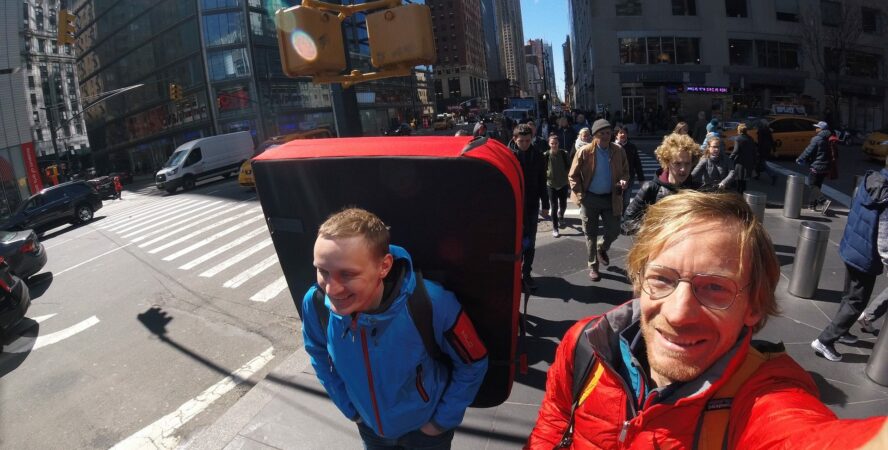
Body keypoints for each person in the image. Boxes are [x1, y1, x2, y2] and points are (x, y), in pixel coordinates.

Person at [526, 191, 888, 449]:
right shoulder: (585, 344)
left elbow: (801, 434)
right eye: (662, 279)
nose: (679, 313)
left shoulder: (762, 395)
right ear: (639, 282)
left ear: (754, 307)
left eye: (715, 288)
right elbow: (555, 420)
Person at [302, 208, 488, 449]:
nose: (331, 289)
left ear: (384, 266)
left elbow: (473, 363)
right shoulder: (315, 304)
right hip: (371, 430)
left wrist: (440, 422)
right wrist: (350, 408)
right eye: (323, 271)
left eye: (347, 274)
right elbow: (317, 352)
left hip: (425, 433)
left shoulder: (431, 303)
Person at [812, 163, 888, 361]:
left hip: (852, 246)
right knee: (857, 301)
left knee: (849, 296)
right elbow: (884, 238)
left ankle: (842, 331)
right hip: (866, 255)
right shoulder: (887, 194)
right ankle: (825, 341)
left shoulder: (871, 180)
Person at [568, 119, 629, 282]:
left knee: (615, 229)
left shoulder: (618, 151)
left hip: (611, 198)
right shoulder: (585, 151)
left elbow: (625, 171)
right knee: (590, 234)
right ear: (595, 135)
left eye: (608, 133)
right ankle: (593, 266)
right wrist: (581, 195)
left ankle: (602, 248)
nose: (605, 136)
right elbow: (572, 175)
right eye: (602, 133)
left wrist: (624, 180)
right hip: (590, 198)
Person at [622, 133, 701, 236]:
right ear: (667, 162)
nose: (683, 169)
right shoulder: (651, 188)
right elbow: (627, 222)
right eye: (677, 163)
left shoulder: (697, 190)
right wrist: (653, 229)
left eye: (687, 163)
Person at [510, 124, 547, 291]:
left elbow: (542, 182)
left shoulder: (538, 156)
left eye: (527, 140)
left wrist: (545, 204)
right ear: (514, 139)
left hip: (531, 205)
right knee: (514, 243)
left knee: (530, 243)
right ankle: (514, 275)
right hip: (513, 206)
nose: (525, 143)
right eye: (521, 141)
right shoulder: (508, 155)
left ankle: (526, 273)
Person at [796, 121, 833, 211]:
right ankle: (812, 205)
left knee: (812, 184)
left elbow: (808, 151)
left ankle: (823, 201)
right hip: (826, 166)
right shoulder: (828, 138)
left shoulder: (817, 139)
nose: (816, 129)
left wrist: (800, 158)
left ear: (821, 129)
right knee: (817, 185)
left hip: (817, 166)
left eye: (817, 127)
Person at [545, 134, 570, 237]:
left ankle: (561, 215)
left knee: (563, 204)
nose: (554, 145)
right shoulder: (546, 155)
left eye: (555, 143)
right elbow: (543, 170)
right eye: (552, 143)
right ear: (549, 144)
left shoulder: (564, 154)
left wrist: (569, 180)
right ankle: (555, 228)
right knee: (554, 206)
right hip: (551, 185)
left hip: (563, 184)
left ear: (558, 143)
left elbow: (569, 167)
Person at [614, 126, 645, 211]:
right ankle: (616, 217)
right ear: (616, 135)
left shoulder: (631, 147)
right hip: (614, 178)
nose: (623, 134)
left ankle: (624, 218)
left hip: (629, 177)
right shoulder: (611, 147)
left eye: (625, 132)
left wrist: (641, 179)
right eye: (620, 132)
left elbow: (637, 163)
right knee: (616, 199)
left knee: (626, 200)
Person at [730, 123, 757, 194]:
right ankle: (743, 195)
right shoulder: (751, 138)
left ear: (739, 130)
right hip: (749, 162)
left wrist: (730, 158)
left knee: (739, 181)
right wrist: (754, 162)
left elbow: (735, 151)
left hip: (740, 162)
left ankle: (739, 197)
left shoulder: (738, 139)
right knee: (744, 182)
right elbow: (754, 151)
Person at [755, 119, 778, 185]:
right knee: (760, 162)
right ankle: (757, 174)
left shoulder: (760, 131)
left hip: (762, 149)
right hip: (768, 149)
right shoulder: (768, 131)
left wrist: (758, 150)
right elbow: (771, 140)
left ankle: (773, 175)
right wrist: (774, 150)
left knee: (761, 162)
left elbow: (760, 142)